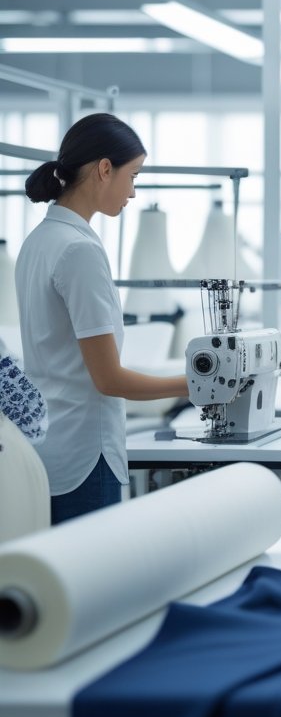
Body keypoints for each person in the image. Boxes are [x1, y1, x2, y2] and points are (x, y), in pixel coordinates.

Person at [16, 113, 188, 524]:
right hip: (84, 458)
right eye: (134, 175)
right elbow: (108, 378)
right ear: (104, 170)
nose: (133, 191)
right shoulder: (79, 251)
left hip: (48, 450)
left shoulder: (38, 242)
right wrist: (196, 387)